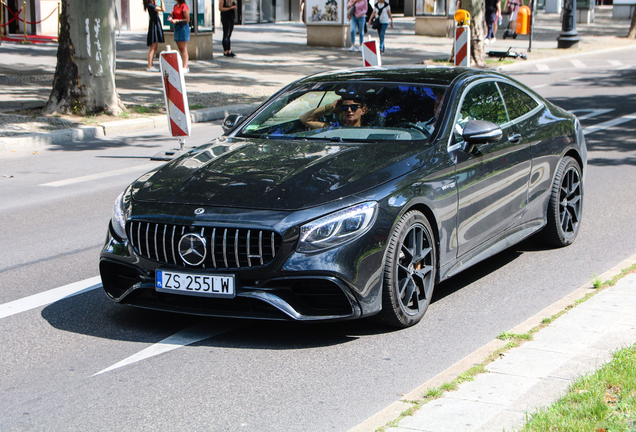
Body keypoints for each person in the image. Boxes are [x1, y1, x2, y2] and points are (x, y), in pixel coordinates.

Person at [300, 98, 367, 129]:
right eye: (344, 107)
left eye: (353, 107)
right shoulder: (334, 128)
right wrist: (330, 107)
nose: (349, 110)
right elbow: (304, 119)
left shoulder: (369, 129)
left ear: (363, 110)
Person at [168, 0, 190, 73]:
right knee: (180, 48)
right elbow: (176, 15)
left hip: (183, 28)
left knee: (183, 48)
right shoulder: (175, 6)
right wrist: (172, 16)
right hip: (177, 28)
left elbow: (187, 19)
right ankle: (184, 65)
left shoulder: (184, 6)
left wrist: (177, 20)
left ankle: (185, 66)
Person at [143, 0, 164, 72]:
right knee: (152, 47)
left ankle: (151, 64)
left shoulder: (152, 5)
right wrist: (162, 1)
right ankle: (149, 65)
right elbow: (162, 9)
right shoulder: (151, 6)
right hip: (154, 26)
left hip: (155, 24)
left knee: (155, 47)